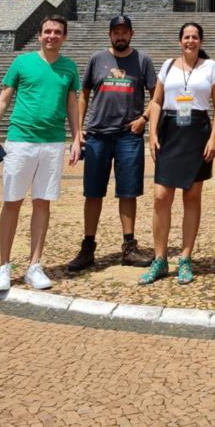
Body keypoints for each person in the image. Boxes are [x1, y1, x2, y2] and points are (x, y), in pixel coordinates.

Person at [0, 14, 81, 293]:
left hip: (52, 143)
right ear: (39, 35)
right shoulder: (22, 62)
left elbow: (72, 106)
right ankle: (4, 265)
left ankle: (34, 265)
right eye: (48, 31)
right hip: (20, 140)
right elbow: (3, 98)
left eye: (57, 32)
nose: (52, 36)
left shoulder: (69, 68)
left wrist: (76, 138)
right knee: (12, 201)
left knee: (42, 203)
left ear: (64, 37)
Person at [66, 14, 156, 273]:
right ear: (109, 35)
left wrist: (144, 118)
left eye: (124, 32)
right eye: (116, 32)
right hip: (97, 134)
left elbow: (156, 95)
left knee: (128, 191)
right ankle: (88, 246)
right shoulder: (97, 59)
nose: (120, 36)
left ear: (131, 34)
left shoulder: (143, 61)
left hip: (129, 134)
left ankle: (129, 247)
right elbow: (83, 95)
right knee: (93, 192)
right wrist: (78, 130)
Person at [139, 22, 215, 286]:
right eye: (186, 37)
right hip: (170, 130)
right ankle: (160, 258)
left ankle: (185, 258)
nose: (190, 41)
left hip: (197, 131)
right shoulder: (167, 66)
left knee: (192, 197)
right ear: (180, 41)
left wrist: (214, 138)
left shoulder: (210, 67)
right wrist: (152, 134)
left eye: (195, 37)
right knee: (161, 197)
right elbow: (155, 101)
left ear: (200, 41)